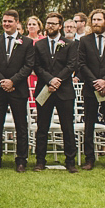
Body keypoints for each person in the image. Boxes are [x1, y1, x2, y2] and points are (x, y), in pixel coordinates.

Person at [0, 9, 35, 172]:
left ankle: (21, 160)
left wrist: (13, 81)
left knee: (21, 126)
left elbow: (28, 65)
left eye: (10, 21)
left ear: (17, 23)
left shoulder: (26, 42)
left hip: (18, 89)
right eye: (4, 21)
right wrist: (2, 82)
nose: (6, 24)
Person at [32, 13, 79, 172]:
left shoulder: (70, 44)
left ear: (60, 26)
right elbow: (37, 66)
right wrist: (49, 80)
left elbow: (71, 65)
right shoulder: (39, 45)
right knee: (42, 126)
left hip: (64, 90)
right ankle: (40, 161)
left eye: (53, 23)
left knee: (67, 127)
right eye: (48, 23)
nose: (50, 26)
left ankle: (70, 161)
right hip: (44, 89)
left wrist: (58, 80)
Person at [77, 9, 105, 172]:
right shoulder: (84, 41)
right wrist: (95, 82)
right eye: (93, 20)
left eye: (99, 20)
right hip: (90, 88)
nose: (95, 22)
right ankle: (89, 159)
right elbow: (81, 64)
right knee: (89, 124)